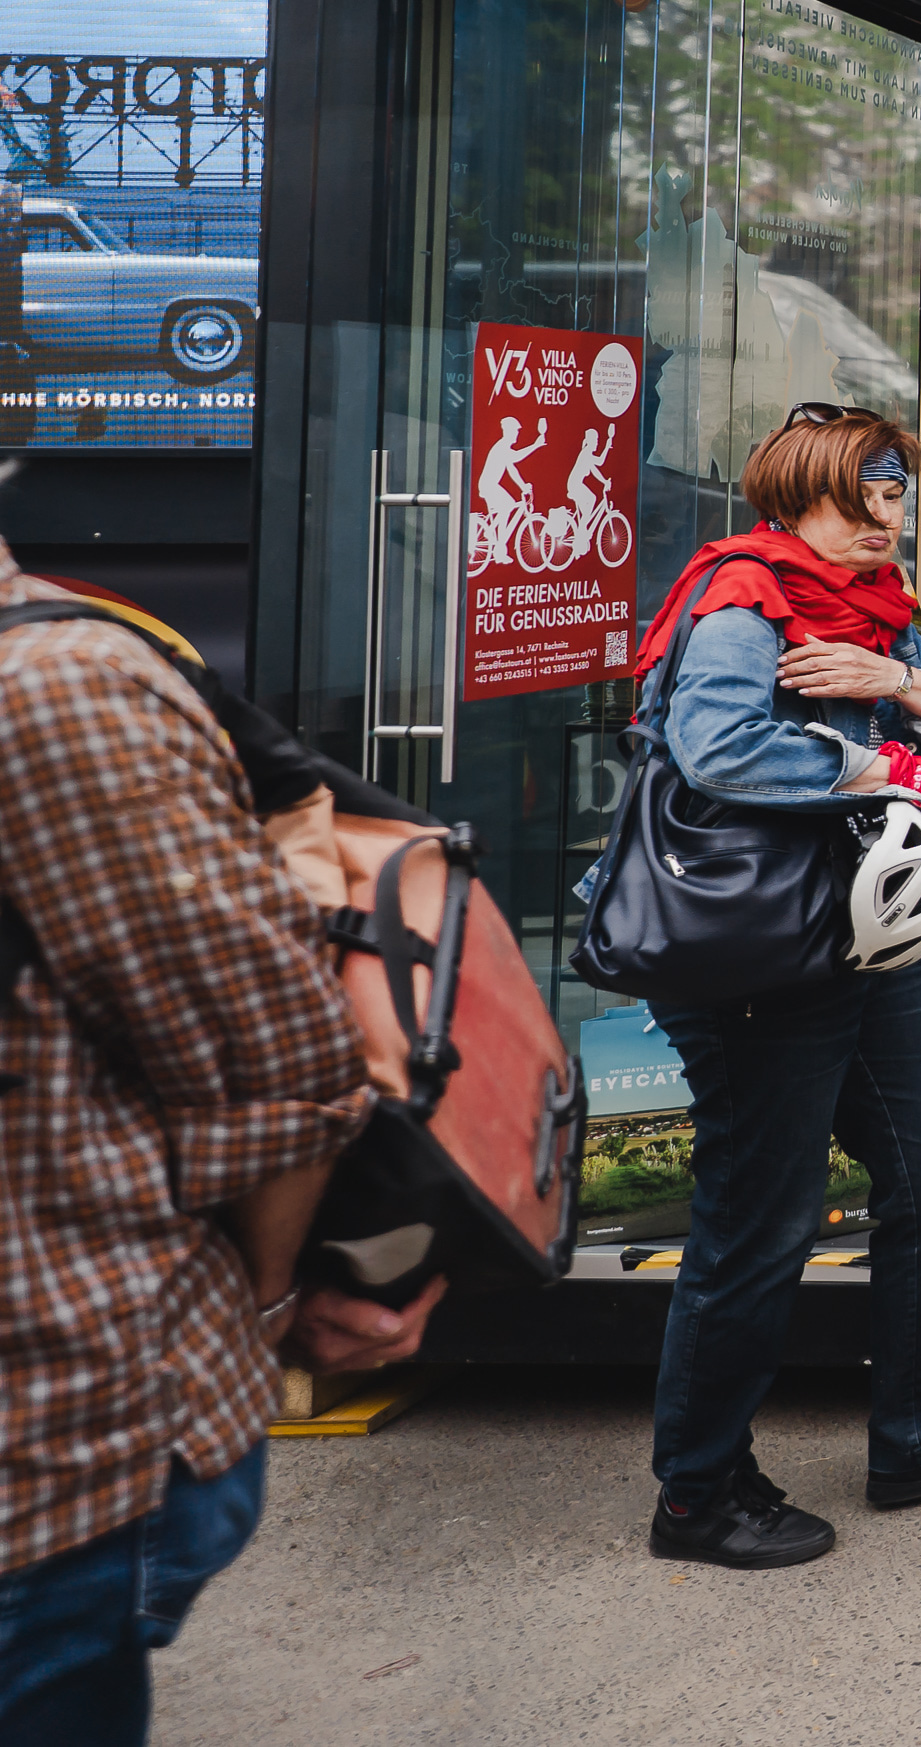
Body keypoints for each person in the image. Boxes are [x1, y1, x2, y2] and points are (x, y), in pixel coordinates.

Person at [0, 539, 436, 1738]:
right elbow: (277, 1069)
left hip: (48, 1461)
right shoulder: (65, 690)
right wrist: (270, 1292)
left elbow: (271, 1073)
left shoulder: (64, 687)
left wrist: (263, 1299)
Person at [637, 409, 921, 1568]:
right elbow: (713, 746)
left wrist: (895, 684)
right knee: (758, 1221)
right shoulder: (740, 597)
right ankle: (698, 1491)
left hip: (864, 942)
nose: (892, 514)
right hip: (763, 950)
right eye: (872, 493)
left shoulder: (868, 612)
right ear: (809, 492)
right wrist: (874, 755)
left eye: (898, 492)